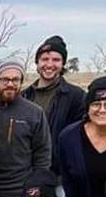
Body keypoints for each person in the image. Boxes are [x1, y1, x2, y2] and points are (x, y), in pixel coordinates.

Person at [0, 60, 52, 197]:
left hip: (17, 193)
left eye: (15, 80)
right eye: (5, 80)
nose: (10, 84)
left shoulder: (34, 112)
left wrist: (35, 186)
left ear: (21, 83)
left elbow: (42, 152)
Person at [23, 35, 86, 176]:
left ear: (63, 63)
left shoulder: (76, 97)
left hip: (60, 175)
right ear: (37, 63)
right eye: (44, 59)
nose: (49, 65)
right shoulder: (24, 96)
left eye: (56, 60)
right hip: (25, 173)